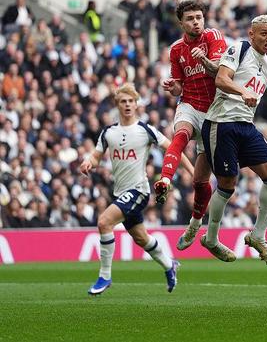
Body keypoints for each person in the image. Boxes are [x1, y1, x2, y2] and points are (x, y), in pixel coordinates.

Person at [200, 15, 267, 266]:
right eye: (263, 33)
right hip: (222, 123)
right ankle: (211, 238)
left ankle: (258, 235)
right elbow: (221, 79)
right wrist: (243, 91)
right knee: (227, 184)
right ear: (252, 34)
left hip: (246, 126)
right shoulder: (239, 49)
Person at [80, 83, 195, 295]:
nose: (127, 105)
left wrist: (193, 172)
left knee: (104, 222)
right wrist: (88, 162)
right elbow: (96, 157)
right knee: (141, 238)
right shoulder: (109, 133)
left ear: (136, 105)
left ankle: (105, 276)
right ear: (117, 104)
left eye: (130, 101)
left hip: (139, 191)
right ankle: (169, 265)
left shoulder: (145, 130)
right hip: (120, 193)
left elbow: (173, 148)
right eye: (123, 101)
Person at [154, 0, 228, 251]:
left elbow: (219, 72)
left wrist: (204, 58)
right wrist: (172, 86)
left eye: (199, 17)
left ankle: (195, 224)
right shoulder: (176, 49)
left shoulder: (213, 37)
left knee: (199, 181)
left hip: (214, 112)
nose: (196, 22)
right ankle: (165, 180)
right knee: (180, 135)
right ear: (181, 23)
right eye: (190, 19)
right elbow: (178, 86)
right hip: (189, 104)